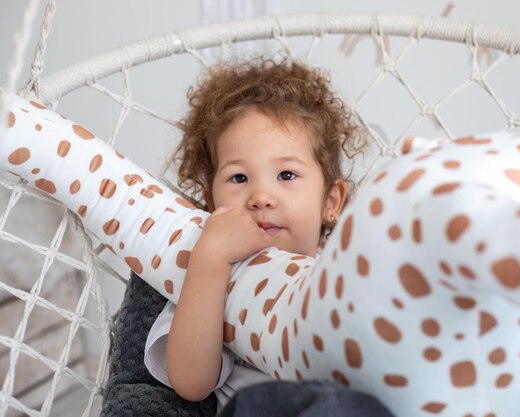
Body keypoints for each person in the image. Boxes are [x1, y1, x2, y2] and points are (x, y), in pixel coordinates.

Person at [144, 56, 367, 411]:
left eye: (287, 175)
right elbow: (191, 382)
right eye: (239, 178)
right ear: (210, 200)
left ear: (331, 200)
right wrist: (211, 258)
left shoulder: (342, 276)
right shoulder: (213, 279)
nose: (261, 197)